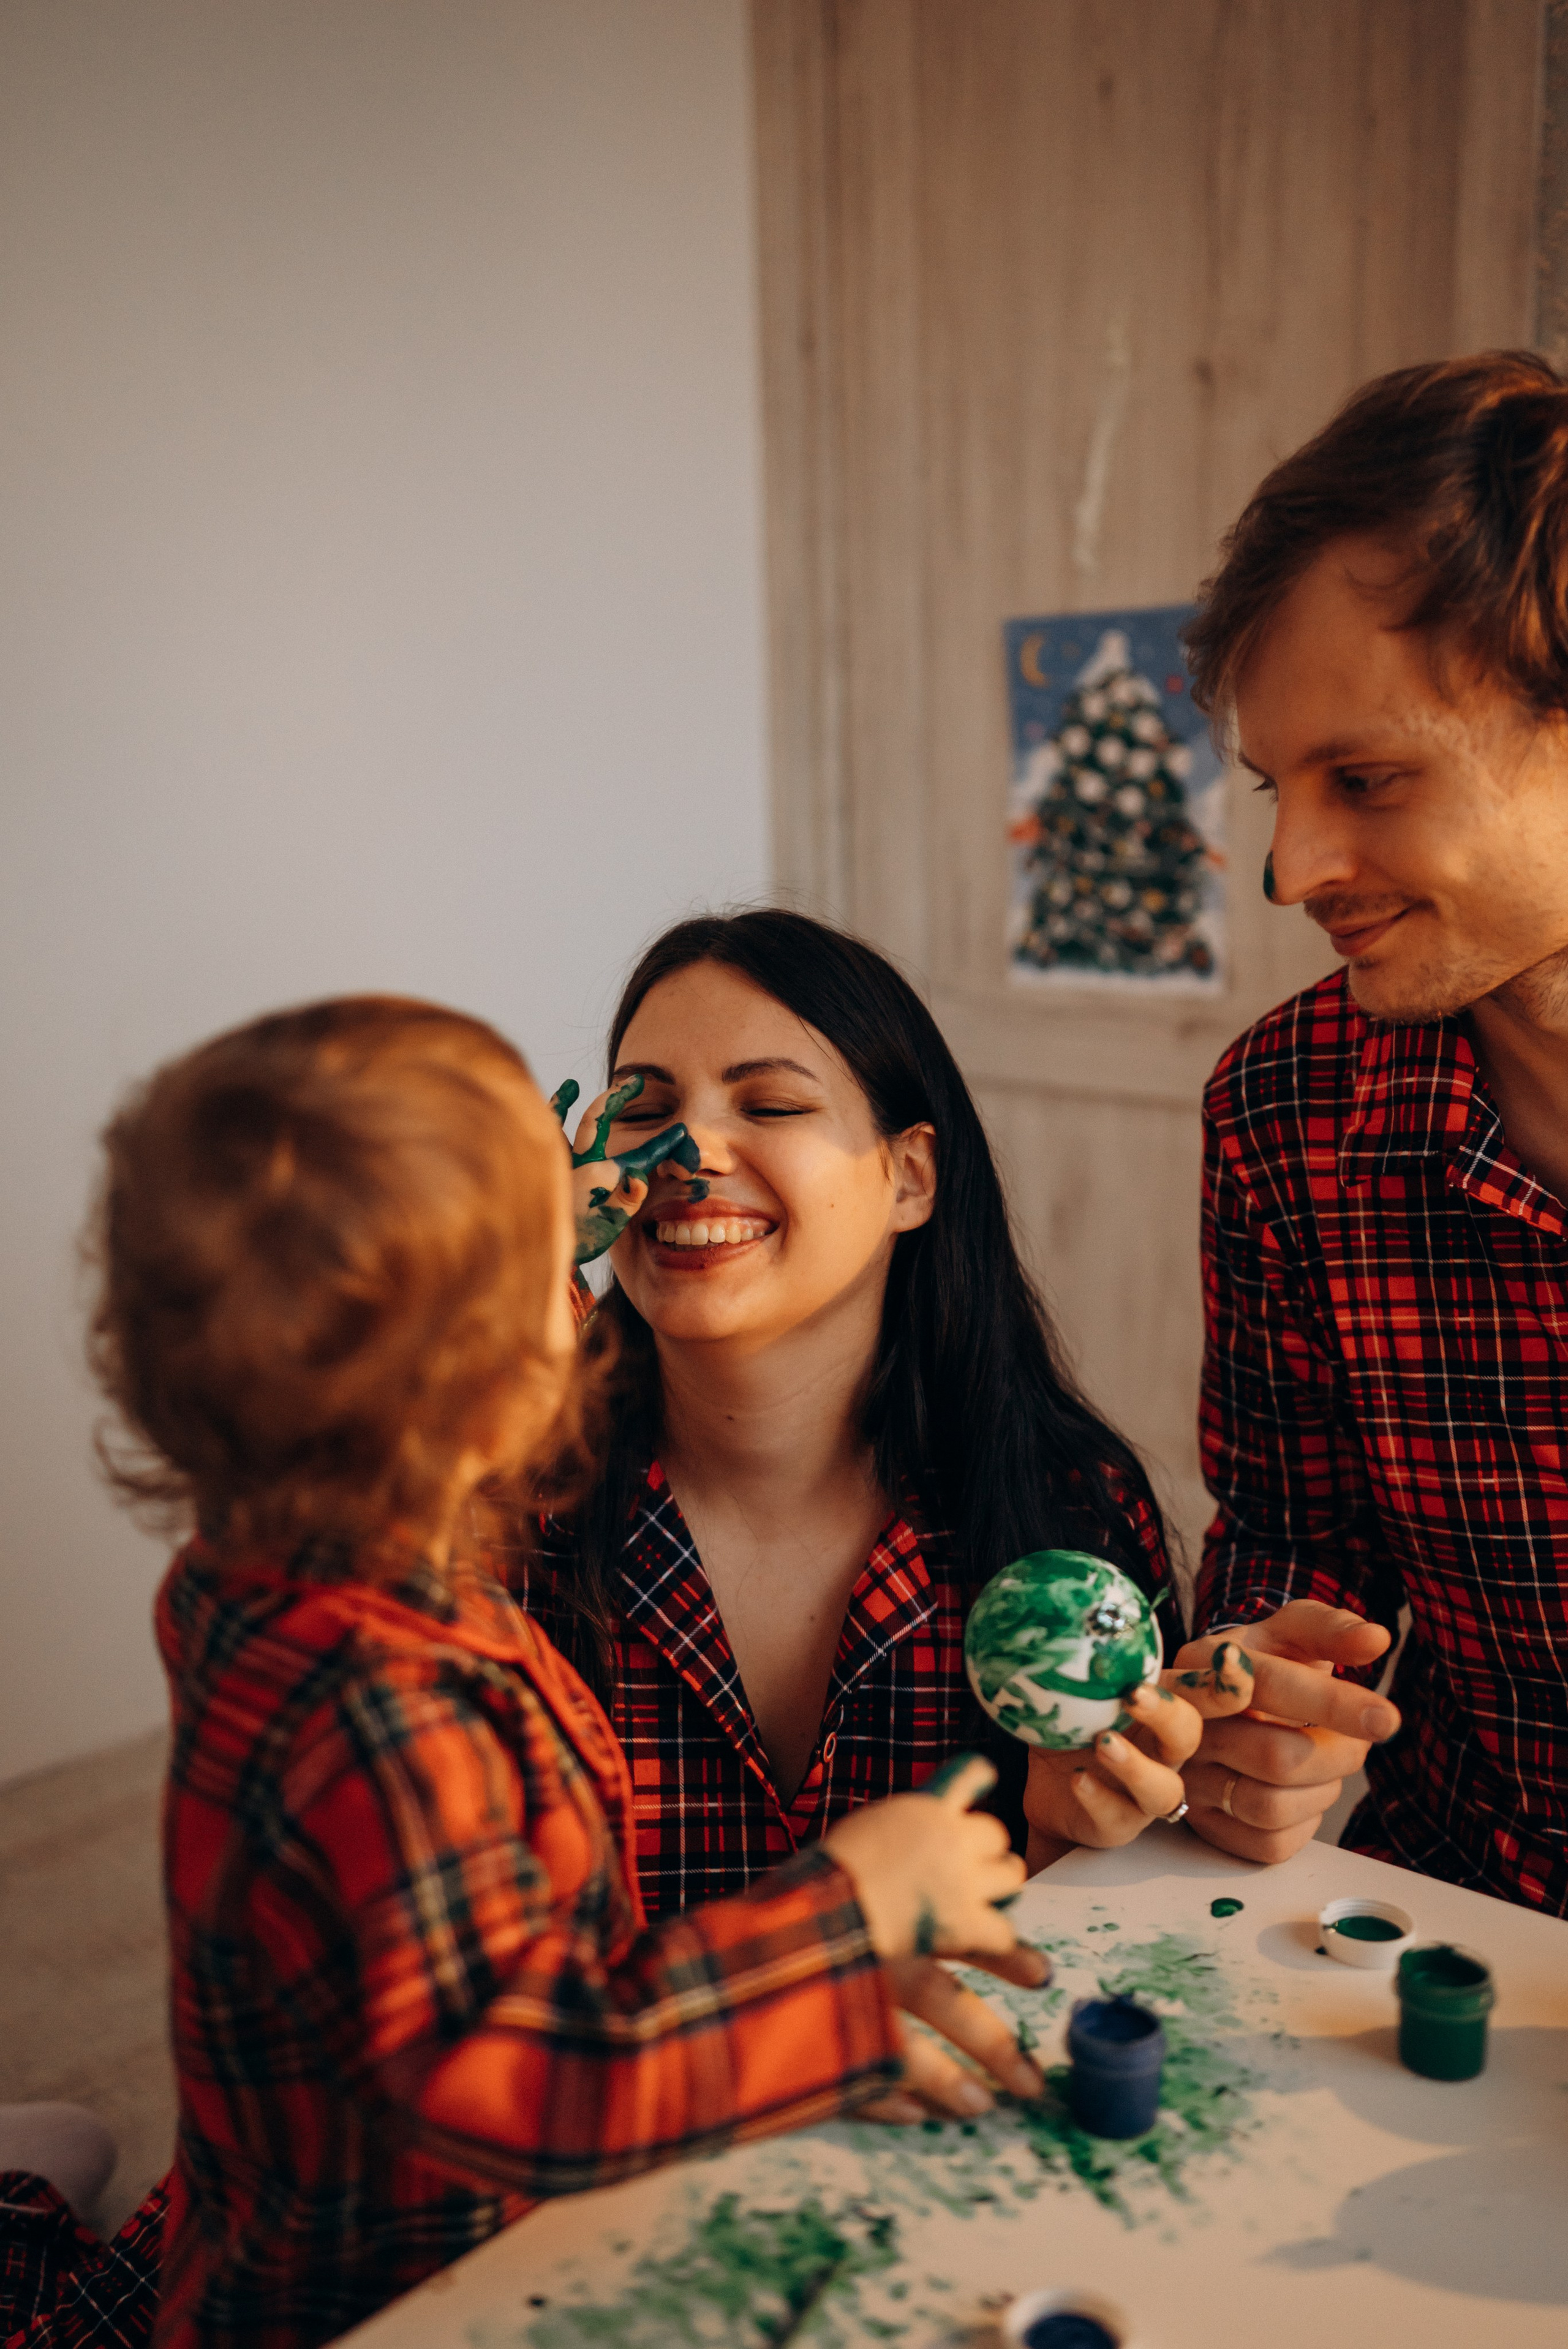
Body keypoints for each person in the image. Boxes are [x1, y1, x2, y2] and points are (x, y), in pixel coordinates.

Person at [17, 995, 1036, 2349]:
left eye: (768, 1103)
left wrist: (498, 1242)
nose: (668, 1164)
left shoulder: (267, 1563)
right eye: (543, 1248)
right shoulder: (390, 1706)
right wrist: (843, 1914)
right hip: (402, 2304)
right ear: (498, 1382)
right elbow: (535, 2080)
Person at [520, 909, 1250, 2113]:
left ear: (908, 1175)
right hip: (580, 2162)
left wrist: (1075, 1837)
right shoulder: (493, 1509)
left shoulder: (1065, 1505)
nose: (686, 1152)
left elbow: (1098, 1963)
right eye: (644, 1109)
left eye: (768, 1103)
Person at [1174, 349, 1568, 1916]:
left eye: (1367, 777)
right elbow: (1288, 1537)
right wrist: (1248, 1695)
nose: (1288, 868)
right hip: (1451, 1937)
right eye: (1277, 785)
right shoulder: (1278, 1113)